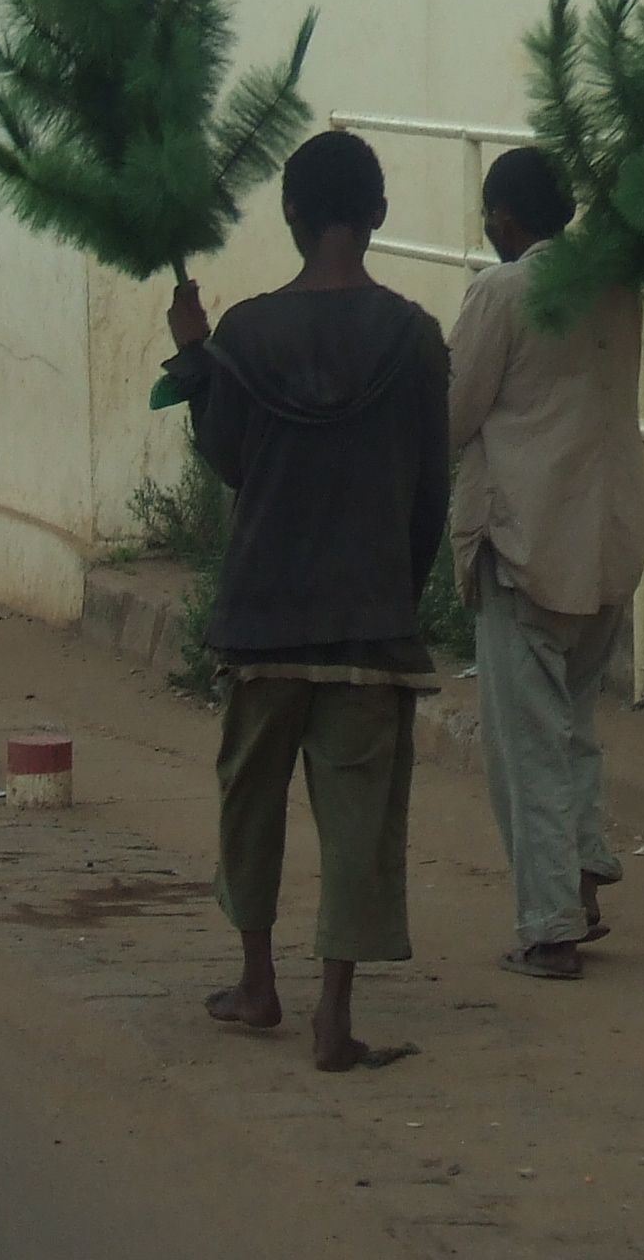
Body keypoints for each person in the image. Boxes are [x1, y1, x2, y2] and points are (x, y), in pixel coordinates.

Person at [160, 129, 450, 1070]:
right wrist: (398, 594)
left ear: (290, 214)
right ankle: (334, 1015)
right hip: (368, 616)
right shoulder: (414, 336)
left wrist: (196, 355)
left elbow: (230, 462)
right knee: (359, 816)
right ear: (377, 216)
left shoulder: (246, 334)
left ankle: (256, 983)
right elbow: (431, 492)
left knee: (251, 800)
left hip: (264, 612)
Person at [447, 145, 644, 981]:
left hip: (527, 541)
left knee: (526, 744)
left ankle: (550, 926)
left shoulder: (501, 291)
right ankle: (583, 878)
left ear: (504, 219)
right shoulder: (618, 285)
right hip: (608, 539)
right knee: (574, 724)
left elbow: (453, 413)